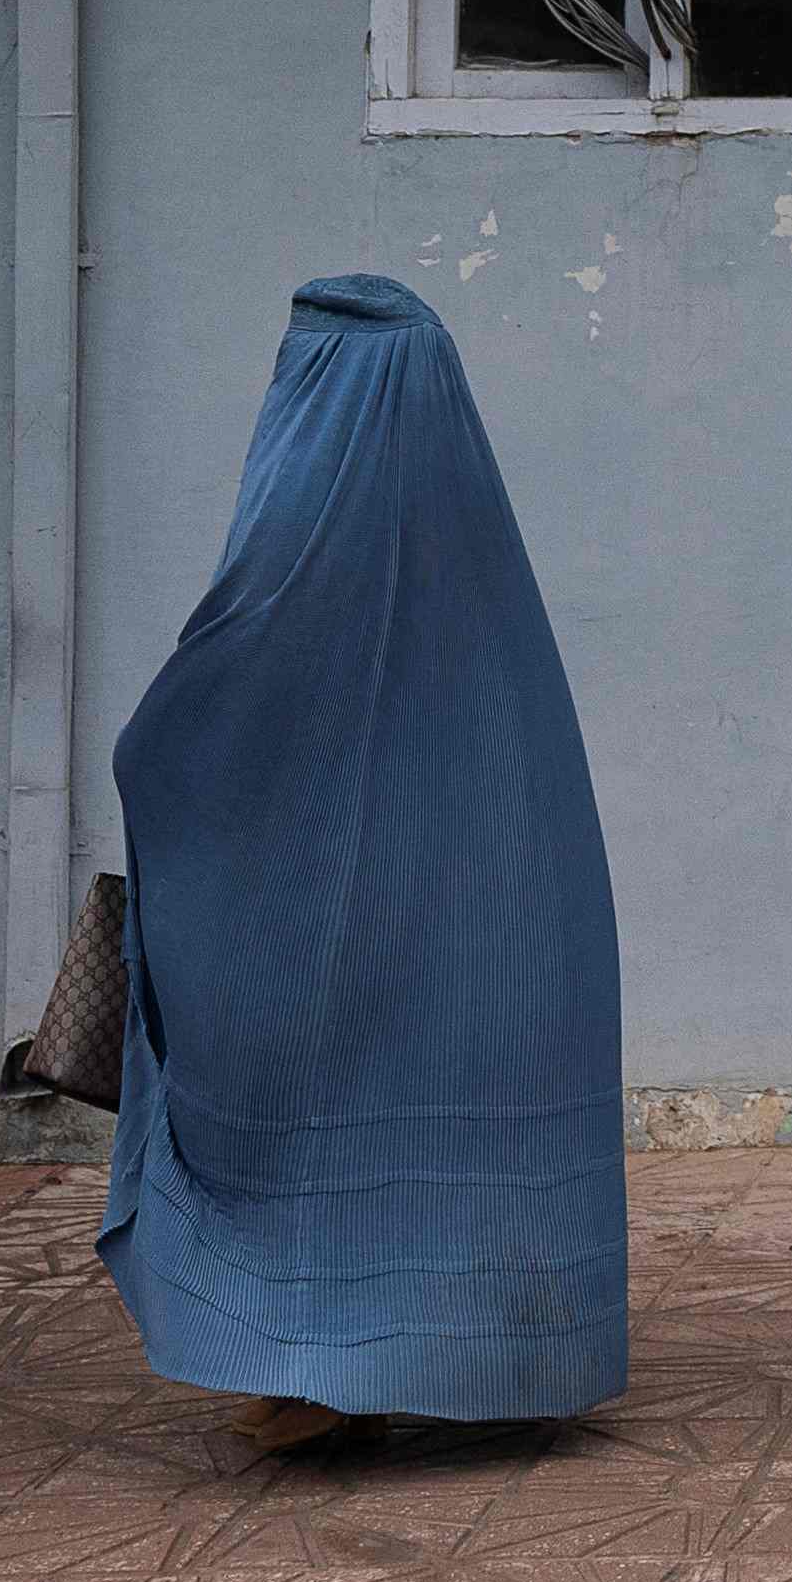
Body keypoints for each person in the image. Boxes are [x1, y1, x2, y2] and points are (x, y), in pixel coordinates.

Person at [100, 273, 638, 1451]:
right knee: (447, 1092)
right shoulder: (484, 562)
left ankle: (312, 1363)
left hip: (320, 915)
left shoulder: (296, 540)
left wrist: (155, 756)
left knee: (311, 1091)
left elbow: (208, 710)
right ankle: (479, 1354)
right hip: (491, 911)